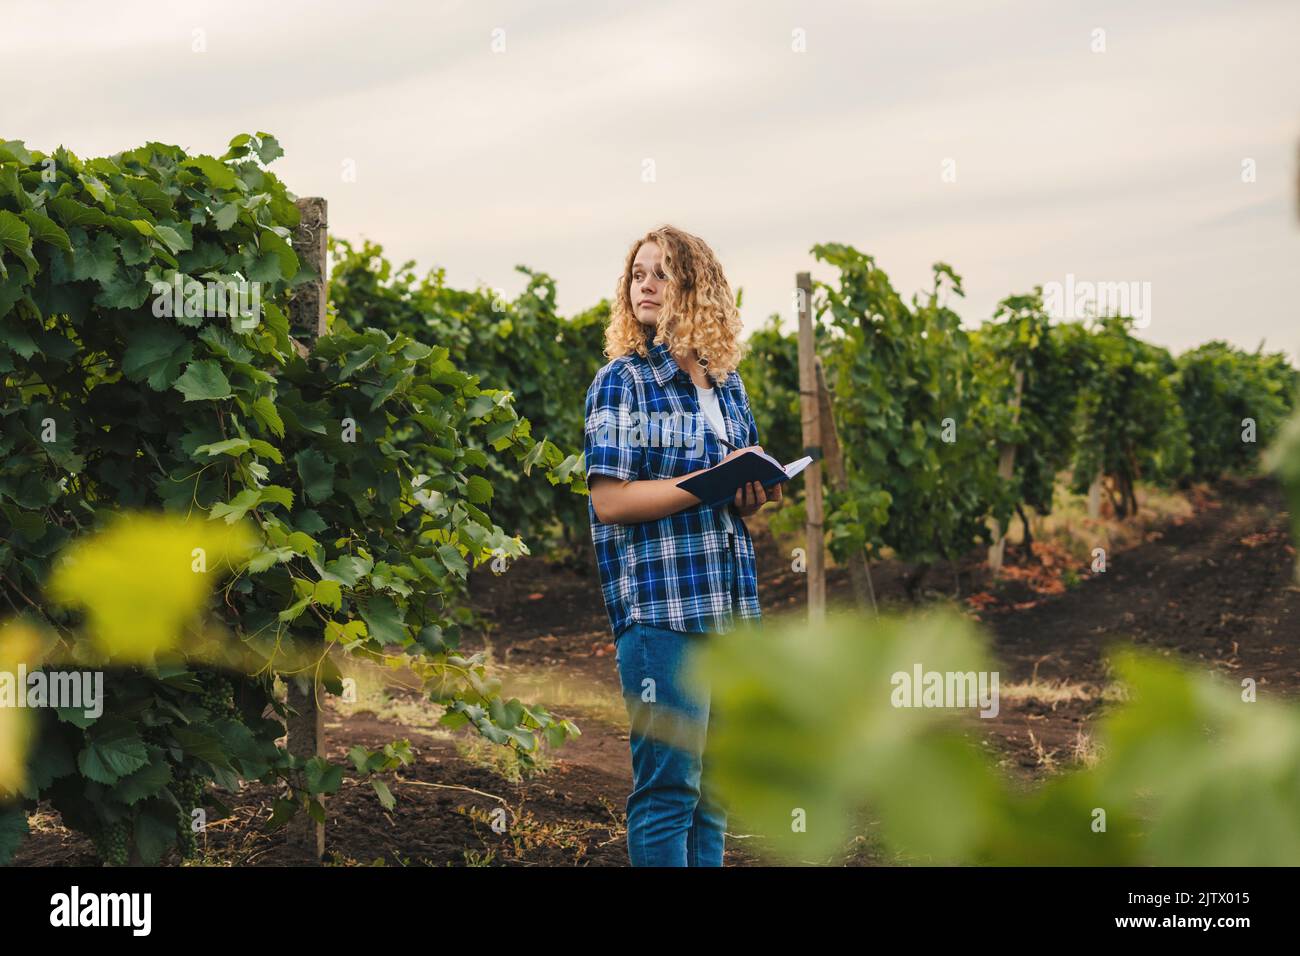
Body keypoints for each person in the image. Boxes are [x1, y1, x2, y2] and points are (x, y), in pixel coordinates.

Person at [583, 224, 780, 867]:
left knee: (714, 790)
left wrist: (750, 493)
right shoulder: (624, 382)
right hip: (661, 612)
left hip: (728, 605)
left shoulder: (726, 386)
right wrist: (706, 484)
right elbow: (609, 500)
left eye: (661, 273)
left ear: (698, 289)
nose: (645, 284)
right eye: (637, 273)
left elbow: (730, 496)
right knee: (668, 790)